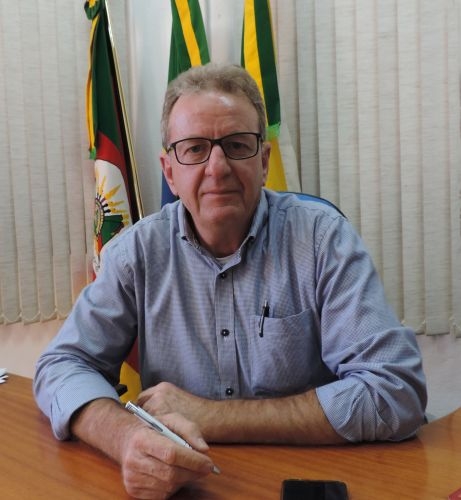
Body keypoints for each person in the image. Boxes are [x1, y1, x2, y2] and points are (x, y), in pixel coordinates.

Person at [34, 62, 427, 499]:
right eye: (194, 149)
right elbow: (61, 367)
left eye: (237, 145)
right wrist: (125, 437)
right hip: (189, 483)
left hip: (302, 480)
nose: (217, 167)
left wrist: (210, 416)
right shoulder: (136, 253)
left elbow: (396, 392)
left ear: (264, 161)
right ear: (169, 171)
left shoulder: (322, 240)